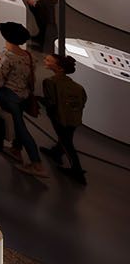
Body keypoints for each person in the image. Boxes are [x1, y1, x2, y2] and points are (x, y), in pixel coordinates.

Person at [0, 20, 50, 178]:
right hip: (23, 95)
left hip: (8, 96)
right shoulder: (28, 56)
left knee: (20, 128)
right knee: (18, 122)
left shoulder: (4, 57)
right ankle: (16, 149)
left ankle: (37, 164)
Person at [41, 49, 88, 182]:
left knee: (67, 142)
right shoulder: (77, 87)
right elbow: (83, 100)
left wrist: (38, 100)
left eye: (48, 61)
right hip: (74, 117)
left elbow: (51, 103)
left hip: (60, 118)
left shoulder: (50, 82)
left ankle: (77, 171)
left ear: (59, 68)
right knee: (66, 138)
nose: (45, 61)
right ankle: (56, 152)